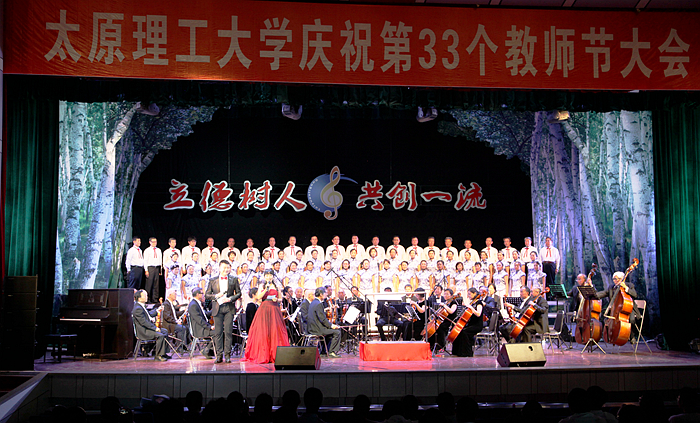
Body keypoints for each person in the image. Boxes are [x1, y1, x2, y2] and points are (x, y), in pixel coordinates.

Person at [244, 270, 291, 363]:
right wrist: (266, 289)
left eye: (270, 275)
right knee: (264, 331)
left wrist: (276, 299)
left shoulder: (277, 286)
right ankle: (264, 354)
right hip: (264, 309)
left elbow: (281, 299)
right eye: (267, 275)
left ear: (273, 276)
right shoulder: (262, 286)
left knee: (275, 330)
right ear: (264, 277)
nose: (269, 277)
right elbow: (258, 297)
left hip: (274, 309)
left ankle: (275, 354)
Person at [205, 260, 241, 363]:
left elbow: (239, 293)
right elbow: (207, 295)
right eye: (224, 268)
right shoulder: (213, 280)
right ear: (220, 268)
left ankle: (228, 355)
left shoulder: (234, 279)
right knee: (218, 333)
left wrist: (230, 299)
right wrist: (216, 296)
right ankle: (219, 355)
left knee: (228, 332)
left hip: (229, 308)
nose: (226, 269)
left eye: (228, 267)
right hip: (217, 308)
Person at [132, 289, 170, 361]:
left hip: (147, 329)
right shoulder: (137, 309)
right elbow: (144, 322)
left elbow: (148, 315)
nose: (147, 297)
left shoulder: (141, 306)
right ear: (139, 298)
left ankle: (163, 353)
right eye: (145, 295)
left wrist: (157, 310)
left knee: (164, 331)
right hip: (143, 331)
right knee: (160, 335)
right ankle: (158, 356)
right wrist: (155, 328)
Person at [307, 287, 341, 357]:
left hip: (312, 328)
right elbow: (322, 319)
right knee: (337, 332)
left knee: (330, 333)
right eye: (325, 293)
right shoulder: (319, 304)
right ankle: (331, 352)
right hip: (318, 329)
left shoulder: (313, 302)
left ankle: (323, 351)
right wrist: (332, 326)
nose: (326, 294)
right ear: (321, 294)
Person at [451, 287, 483, 357]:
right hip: (471, 324)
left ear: (475, 293)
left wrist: (470, 308)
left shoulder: (479, 303)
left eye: (469, 294)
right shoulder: (472, 302)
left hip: (477, 325)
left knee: (464, 332)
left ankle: (467, 353)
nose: (468, 296)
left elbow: (478, 314)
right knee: (459, 331)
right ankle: (457, 352)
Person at [188, 287, 215, 358]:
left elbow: (205, 315)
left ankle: (210, 351)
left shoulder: (197, 303)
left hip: (202, 327)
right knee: (218, 333)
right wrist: (210, 327)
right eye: (202, 293)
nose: (203, 295)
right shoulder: (193, 305)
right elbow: (199, 320)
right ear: (197, 294)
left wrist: (214, 310)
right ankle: (206, 350)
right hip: (199, 329)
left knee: (219, 331)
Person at [430, 288, 459, 352]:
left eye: (447, 294)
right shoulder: (446, 302)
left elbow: (451, 311)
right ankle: (432, 345)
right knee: (434, 327)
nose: (445, 295)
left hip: (450, 321)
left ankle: (441, 346)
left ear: (451, 295)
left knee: (440, 328)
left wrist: (444, 305)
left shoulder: (454, 303)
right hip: (443, 321)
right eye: (444, 294)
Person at [144, 237, 162, 301]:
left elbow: (160, 260)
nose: (154, 243)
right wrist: (146, 270)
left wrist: (160, 270)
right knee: (149, 284)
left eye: (155, 242)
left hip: (157, 267)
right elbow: (145, 261)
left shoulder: (158, 250)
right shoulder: (147, 250)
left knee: (156, 284)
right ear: (150, 242)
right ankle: (147, 299)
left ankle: (155, 299)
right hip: (150, 267)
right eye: (153, 242)